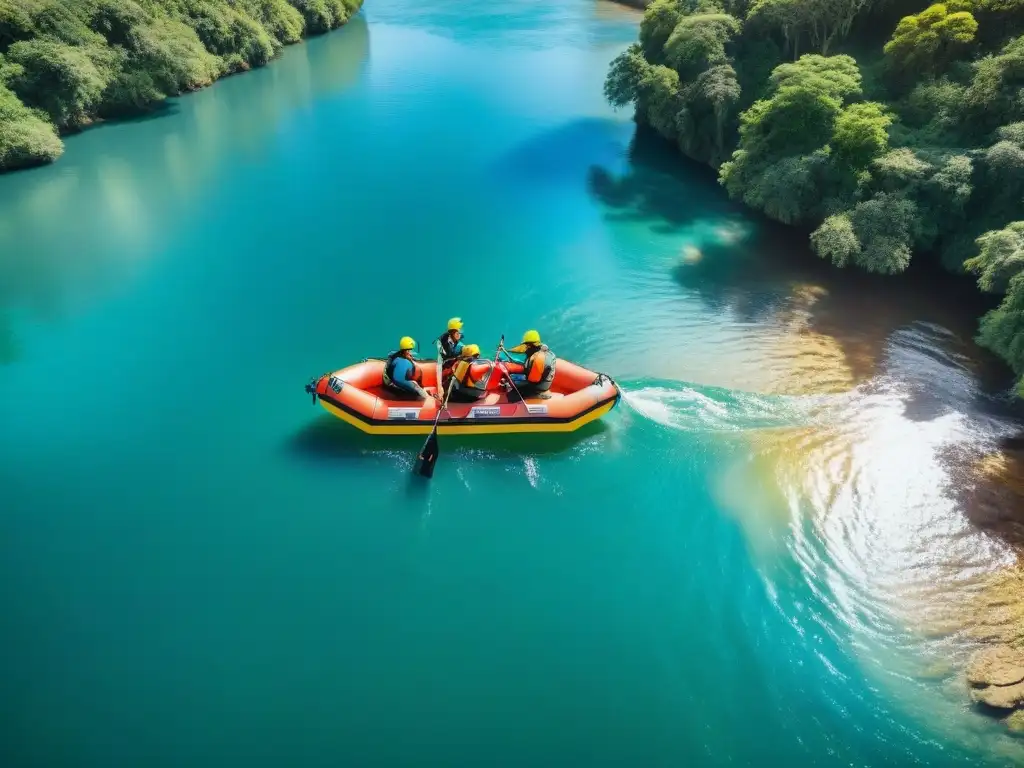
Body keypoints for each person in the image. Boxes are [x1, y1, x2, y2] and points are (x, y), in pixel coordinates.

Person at [383, 336, 440, 402]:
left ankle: (428, 396)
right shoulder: (402, 362)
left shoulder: (403, 357)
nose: (412, 354)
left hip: (402, 383)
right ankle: (430, 399)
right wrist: (415, 387)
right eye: (411, 350)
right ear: (406, 351)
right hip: (396, 388)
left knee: (418, 388)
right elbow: (398, 380)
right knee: (417, 390)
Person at [502, 329, 556, 398]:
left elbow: (533, 381)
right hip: (540, 381)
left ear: (530, 345)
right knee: (512, 377)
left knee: (511, 392)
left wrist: (511, 384)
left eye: (526, 346)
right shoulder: (541, 350)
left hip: (538, 387)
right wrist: (506, 349)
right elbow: (520, 349)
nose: (525, 348)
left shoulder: (538, 359)